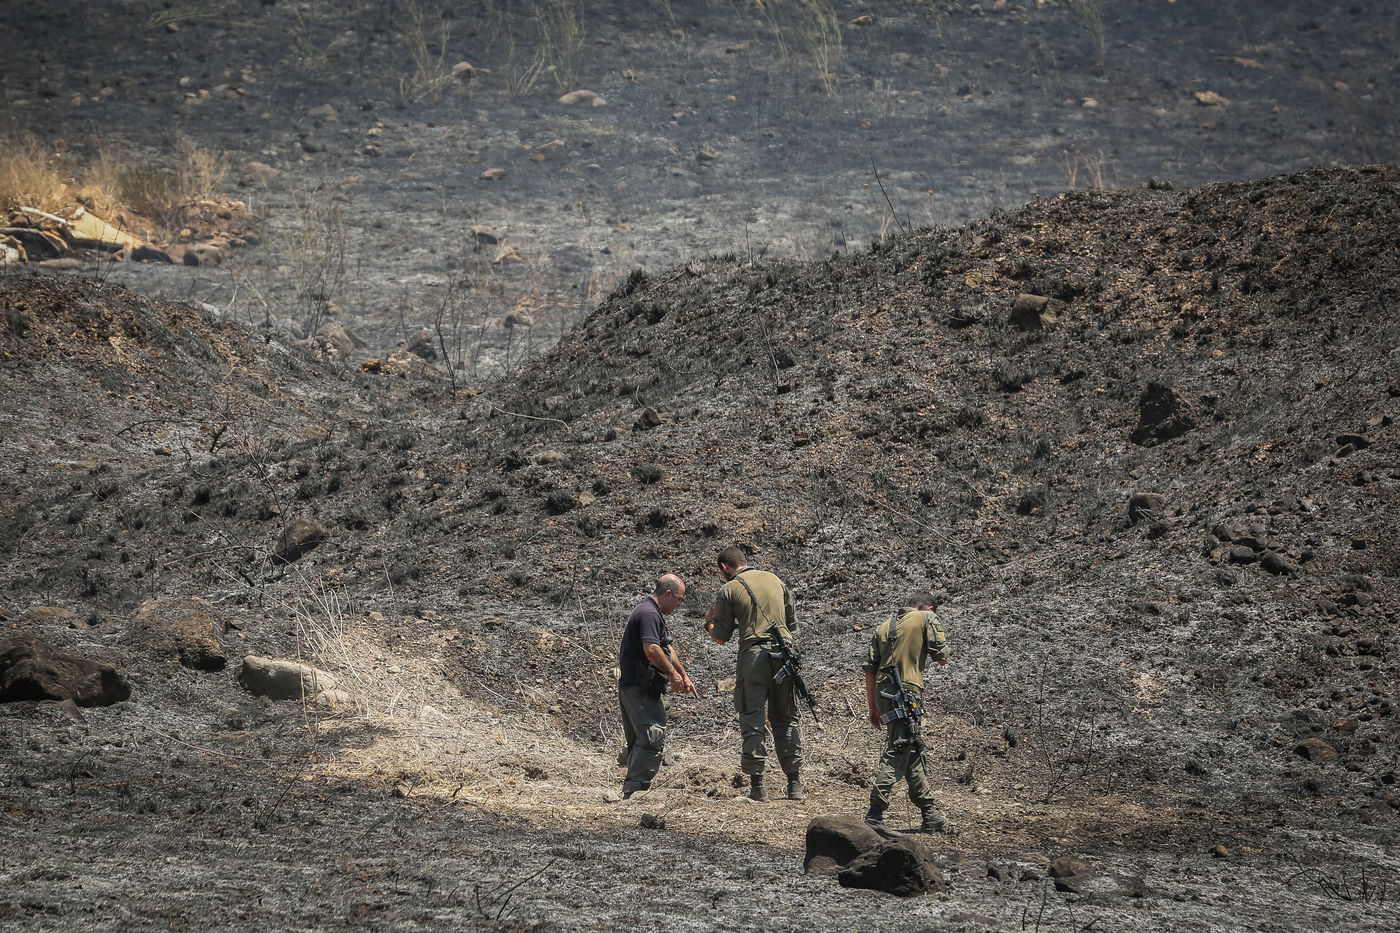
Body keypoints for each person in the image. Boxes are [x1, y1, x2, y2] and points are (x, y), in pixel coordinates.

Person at [703, 545, 803, 802]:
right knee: (786, 717)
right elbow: (791, 624)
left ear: (724, 567)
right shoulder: (775, 580)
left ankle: (758, 786)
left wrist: (709, 623)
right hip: (785, 655)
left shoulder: (729, 589)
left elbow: (720, 637)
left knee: (752, 716)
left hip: (754, 657)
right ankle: (794, 785)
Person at [862, 592, 950, 836]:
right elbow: (942, 658)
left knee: (910, 746)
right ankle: (875, 814)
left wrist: (872, 707)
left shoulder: (883, 627)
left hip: (884, 693)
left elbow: (869, 670)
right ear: (929, 607)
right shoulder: (926, 617)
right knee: (900, 748)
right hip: (906, 691)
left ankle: (929, 813)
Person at [617, 574, 697, 799]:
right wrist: (672, 675)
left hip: (639, 686)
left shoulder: (652, 613)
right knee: (652, 736)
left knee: (642, 738)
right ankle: (636, 791)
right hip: (640, 686)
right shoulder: (649, 613)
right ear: (668, 594)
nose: (680, 604)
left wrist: (684, 675)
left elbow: (667, 650)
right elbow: (652, 649)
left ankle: (632, 791)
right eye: (679, 599)